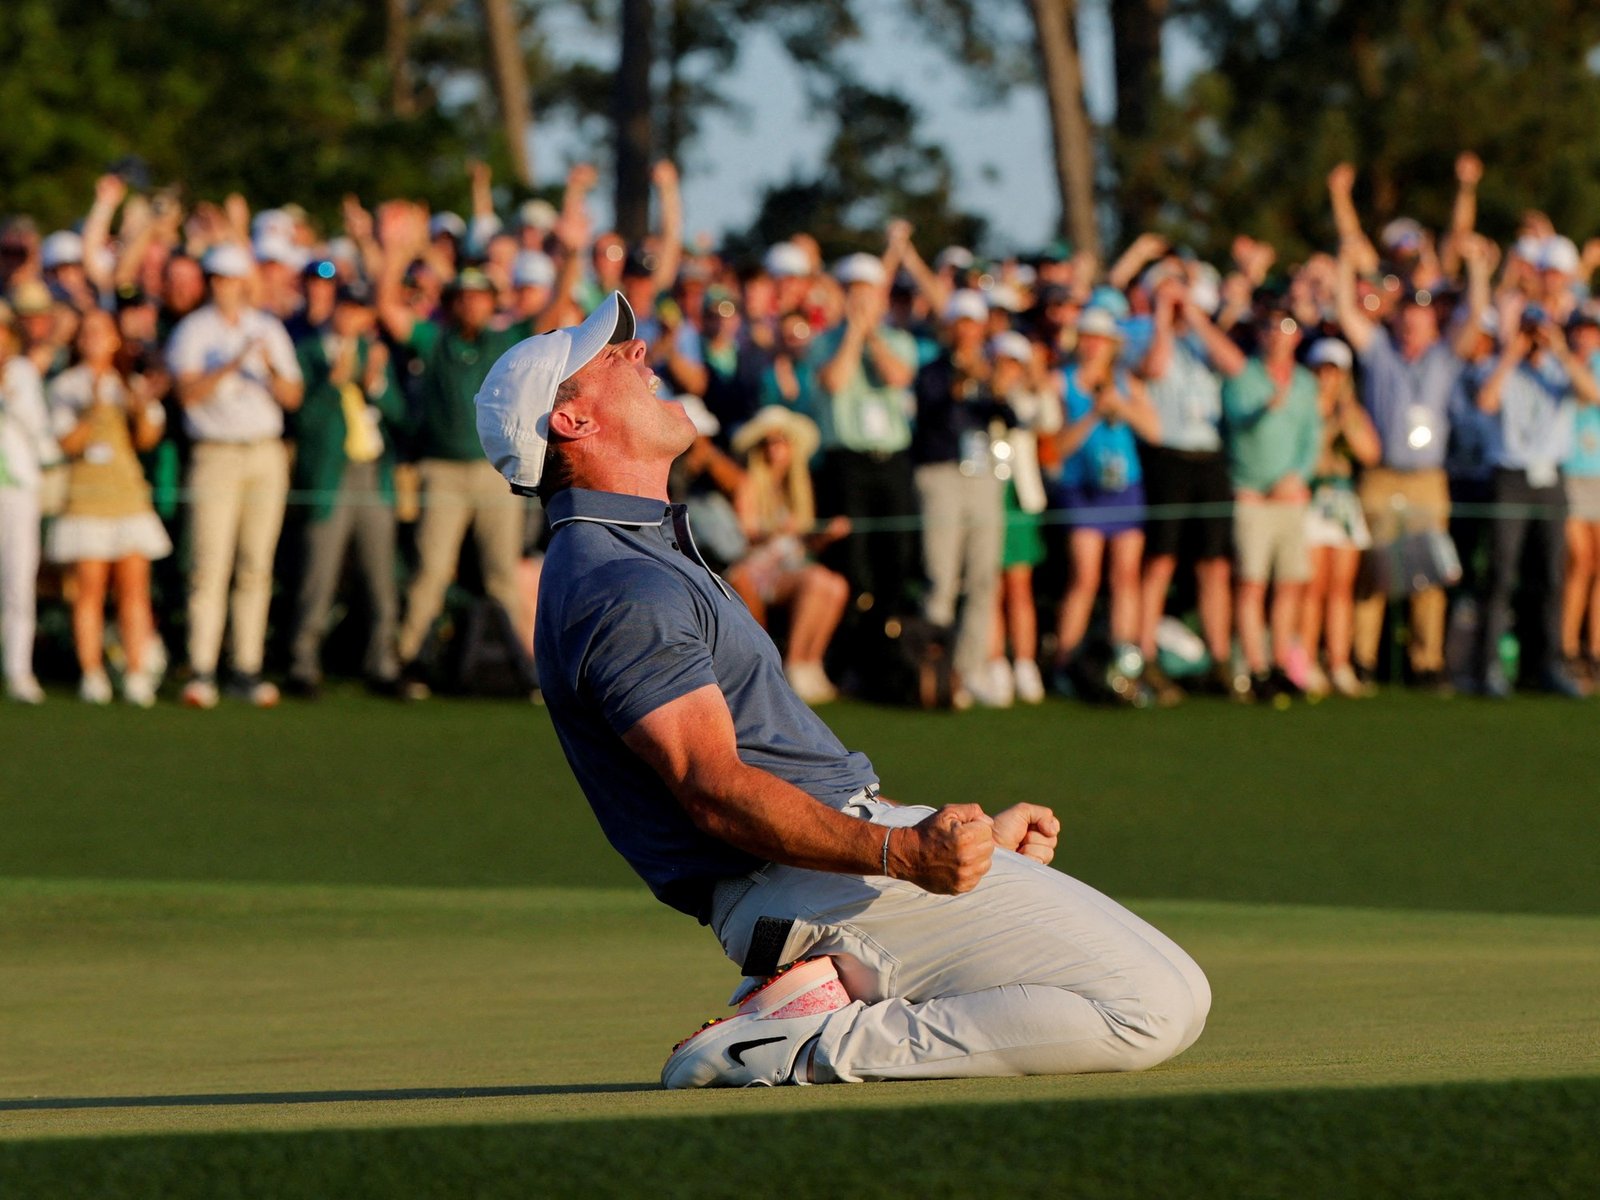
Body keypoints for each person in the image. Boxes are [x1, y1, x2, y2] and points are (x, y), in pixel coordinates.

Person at [474, 292, 1209, 1089]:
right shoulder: (620, 580)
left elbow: (779, 765)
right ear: (571, 420)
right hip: (796, 883)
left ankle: (816, 999)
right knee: (1151, 1007)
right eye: (612, 357)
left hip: (829, 861)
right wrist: (903, 853)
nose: (640, 353)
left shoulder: (637, 551)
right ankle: (793, 1045)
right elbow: (713, 791)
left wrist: (949, 840)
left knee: (1180, 988)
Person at [165, 243, 303, 708]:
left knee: (255, 566)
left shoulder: (267, 328)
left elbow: (292, 395)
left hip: (264, 453)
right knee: (209, 564)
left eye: (231, 278)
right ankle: (202, 668)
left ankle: (246, 667)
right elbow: (187, 394)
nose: (224, 286)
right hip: (215, 454)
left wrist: (265, 367)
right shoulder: (193, 330)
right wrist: (230, 364)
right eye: (218, 278)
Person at [1471, 298, 1598, 697]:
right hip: (1511, 475)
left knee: (1551, 575)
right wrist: (1511, 355)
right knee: (1501, 574)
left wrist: (1558, 348)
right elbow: (1486, 402)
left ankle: (1548, 665)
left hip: (1551, 478)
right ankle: (1489, 667)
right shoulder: (1500, 366)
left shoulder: (1561, 368)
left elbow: (1591, 393)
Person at [45, 309, 172, 705]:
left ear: (116, 339)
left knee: (134, 588)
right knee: (89, 588)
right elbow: (66, 442)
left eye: (102, 332)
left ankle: (136, 672)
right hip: (85, 497)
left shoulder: (129, 384)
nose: (94, 339)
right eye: (88, 332)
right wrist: (93, 409)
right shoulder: (67, 386)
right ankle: (92, 672)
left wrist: (138, 403)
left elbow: (147, 438)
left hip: (126, 495)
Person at [285, 282, 405, 697]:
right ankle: (302, 663)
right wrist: (332, 383)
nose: (352, 318)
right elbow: (304, 419)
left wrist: (376, 385)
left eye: (359, 310)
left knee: (380, 576)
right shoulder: (309, 353)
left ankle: (382, 663)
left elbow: (401, 416)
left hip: (372, 472)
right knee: (317, 575)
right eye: (346, 308)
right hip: (329, 475)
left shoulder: (375, 354)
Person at [1050, 307, 1161, 701]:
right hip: (1082, 488)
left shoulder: (1125, 382)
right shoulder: (1062, 382)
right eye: (1088, 337)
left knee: (1126, 577)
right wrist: (1094, 414)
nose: (1094, 345)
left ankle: (1123, 663)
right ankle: (1064, 663)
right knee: (1085, 577)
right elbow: (1055, 448)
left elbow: (1154, 430)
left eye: (1101, 339)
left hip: (1124, 487)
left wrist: (1122, 407)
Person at [910, 290, 1011, 707]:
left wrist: (992, 385)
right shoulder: (932, 370)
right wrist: (960, 380)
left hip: (982, 475)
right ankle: (937, 669)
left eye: (974, 323)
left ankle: (969, 669)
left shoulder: (990, 370)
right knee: (942, 577)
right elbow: (930, 412)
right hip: (941, 474)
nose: (968, 331)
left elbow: (1010, 417)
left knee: (984, 576)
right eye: (961, 323)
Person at [1221, 298, 1321, 700]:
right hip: (1252, 497)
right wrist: (1264, 410)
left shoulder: (1306, 383)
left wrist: (1297, 477)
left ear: (1296, 337)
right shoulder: (1242, 376)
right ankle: (1256, 667)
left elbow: (1312, 438)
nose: (1276, 337)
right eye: (1269, 328)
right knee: (1251, 584)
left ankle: (1281, 664)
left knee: (1290, 584)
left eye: (1285, 329)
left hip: (1290, 498)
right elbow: (1237, 427)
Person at [726, 406, 850, 705]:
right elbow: (746, 536)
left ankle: (811, 661)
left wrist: (825, 536)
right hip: (758, 571)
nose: (774, 448)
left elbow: (803, 546)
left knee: (836, 585)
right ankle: (794, 663)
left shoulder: (797, 489)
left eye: (780, 441)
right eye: (768, 442)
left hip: (789, 568)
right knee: (817, 580)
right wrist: (776, 532)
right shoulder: (749, 484)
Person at [1300, 338, 1380, 698]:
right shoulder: (1304, 408)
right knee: (1312, 585)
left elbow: (1370, 453)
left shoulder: (1352, 412)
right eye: (1321, 371)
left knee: (1341, 587)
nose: (1327, 378)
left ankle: (1339, 662)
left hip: (1343, 500)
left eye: (1334, 372)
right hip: (1312, 498)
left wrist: (1347, 422)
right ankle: (1306, 660)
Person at [0, 302, 58, 703]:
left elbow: (38, 428)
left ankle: (19, 670)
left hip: (18, 490)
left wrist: (9, 393)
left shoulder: (21, 372)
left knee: (18, 581)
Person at [1560, 308, 1600, 689]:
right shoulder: (1558, 363)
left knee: (1598, 564)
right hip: (1570, 475)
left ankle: (1595, 649)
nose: (1585, 338)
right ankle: (1568, 648)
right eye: (1580, 331)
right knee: (1579, 561)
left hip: (1598, 476)